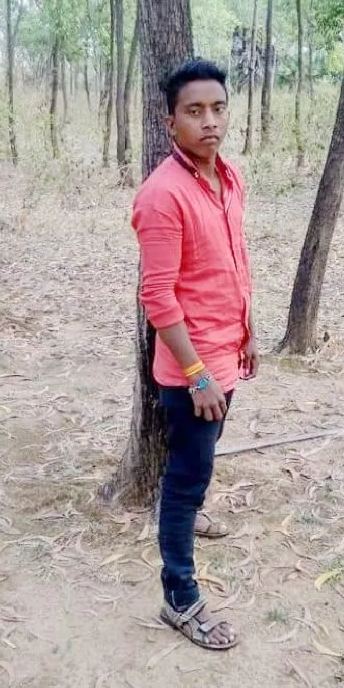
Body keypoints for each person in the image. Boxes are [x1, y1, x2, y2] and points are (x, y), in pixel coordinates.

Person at [132, 59, 259, 650]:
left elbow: (232, 262)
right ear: (170, 123)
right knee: (188, 477)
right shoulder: (162, 195)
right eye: (194, 111)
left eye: (218, 108)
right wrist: (199, 373)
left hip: (225, 352)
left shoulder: (228, 178)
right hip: (193, 373)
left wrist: (247, 329)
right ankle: (179, 598)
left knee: (196, 464)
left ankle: (186, 512)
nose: (210, 121)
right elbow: (156, 296)